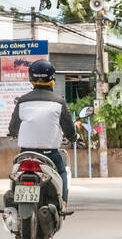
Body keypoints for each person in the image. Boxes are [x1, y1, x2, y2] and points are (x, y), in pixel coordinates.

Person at [7, 58, 75, 213]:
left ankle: (11, 204)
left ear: (31, 79)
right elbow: (69, 128)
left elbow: (13, 125)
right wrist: (73, 137)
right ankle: (63, 203)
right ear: (52, 79)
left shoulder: (22, 101)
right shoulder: (59, 103)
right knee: (63, 171)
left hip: (25, 153)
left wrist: (12, 133)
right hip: (49, 154)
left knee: (14, 175)